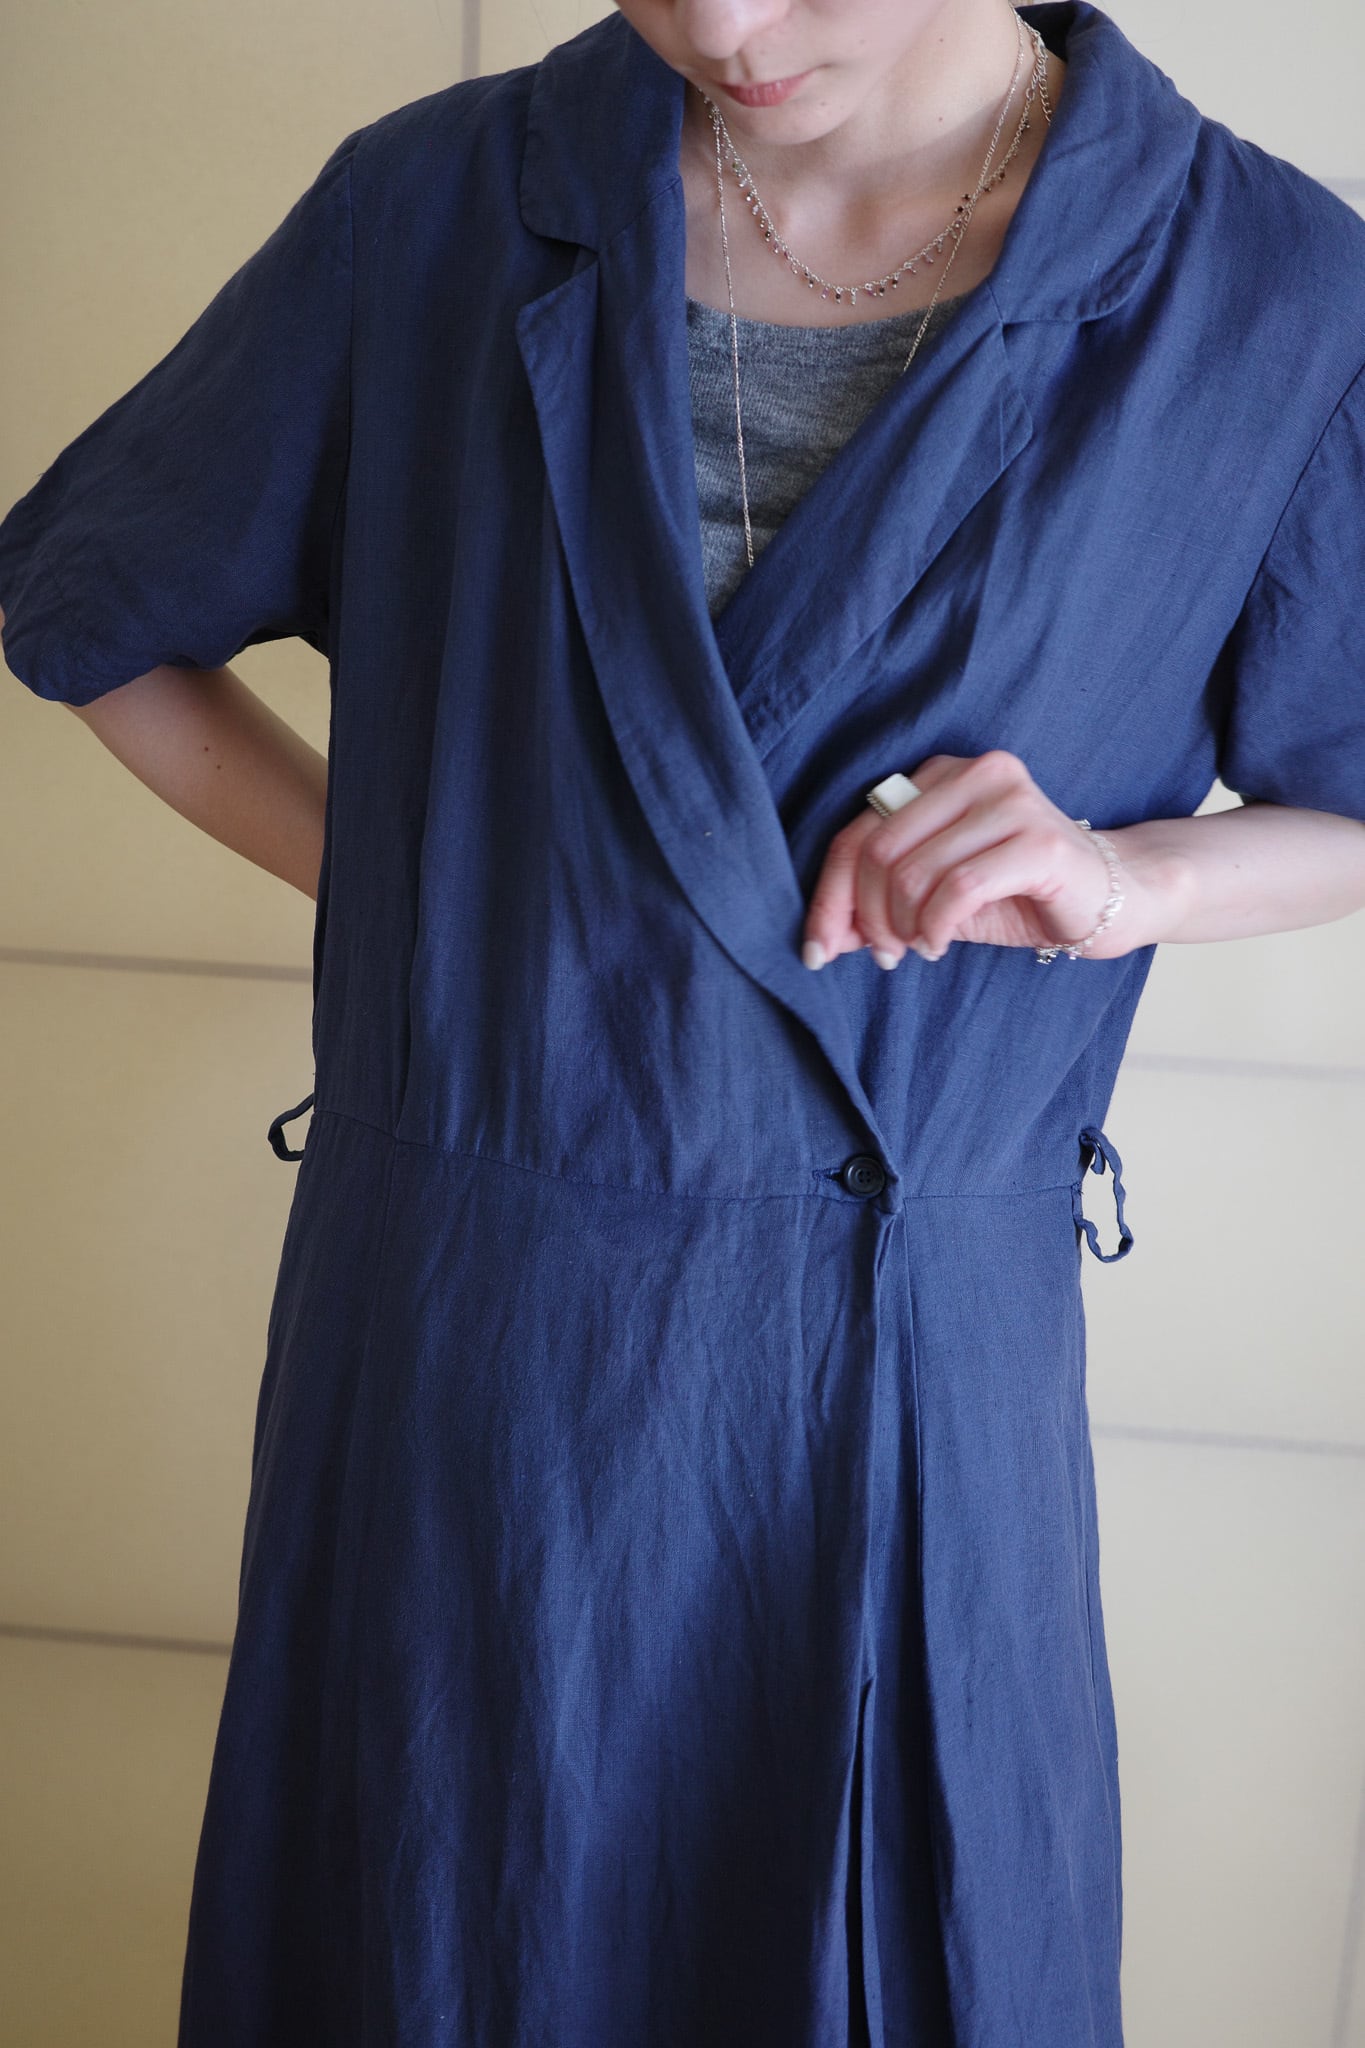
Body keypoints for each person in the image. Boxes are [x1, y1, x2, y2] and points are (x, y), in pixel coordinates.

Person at [2, 1, 1364, 2040]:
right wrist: (431, 893)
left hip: (907, 1372)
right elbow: (94, 611)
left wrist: (1125, 882)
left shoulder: (1259, 290)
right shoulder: (434, 210)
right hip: (468, 1351)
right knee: (443, 1940)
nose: (720, 26)